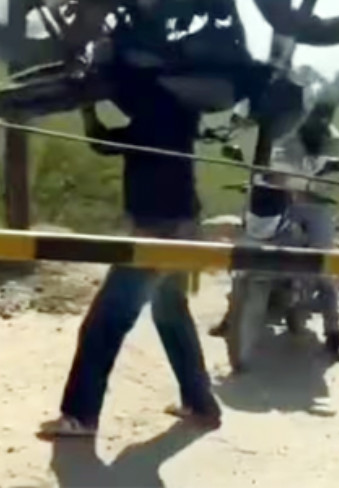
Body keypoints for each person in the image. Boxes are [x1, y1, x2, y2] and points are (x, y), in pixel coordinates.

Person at [38, 90, 221, 438]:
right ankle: (201, 404)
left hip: (157, 235)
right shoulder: (178, 116)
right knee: (171, 316)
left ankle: (80, 416)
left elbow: (103, 143)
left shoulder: (152, 118)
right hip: (185, 229)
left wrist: (88, 107)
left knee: (104, 324)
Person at [209, 100, 339, 361]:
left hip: (315, 205)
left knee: (323, 267)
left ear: (329, 119)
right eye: (313, 115)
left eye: (323, 117)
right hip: (282, 200)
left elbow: (325, 179)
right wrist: (262, 178)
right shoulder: (290, 133)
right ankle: (232, 316)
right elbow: (275, 161)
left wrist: (302, 184)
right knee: (245, 247)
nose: (317, 121)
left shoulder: (334, 141)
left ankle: (334, 336)